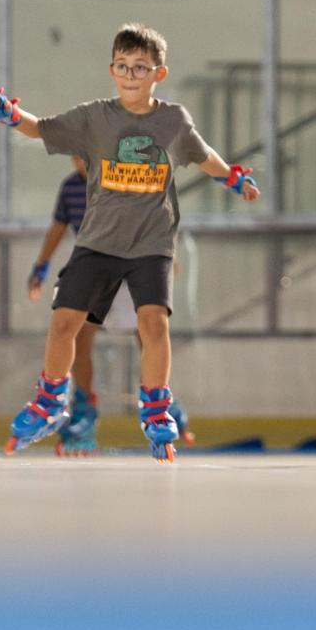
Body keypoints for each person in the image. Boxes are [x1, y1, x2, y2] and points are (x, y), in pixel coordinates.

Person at [0, 22, 257, 462]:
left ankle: (156, 407)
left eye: (141, 67)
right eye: (124, 66)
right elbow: (44, 128)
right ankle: (50, 401)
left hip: (151, 243)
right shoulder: (95, 117)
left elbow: (203, 154)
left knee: (154, 324)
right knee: (64, 321)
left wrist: (233, 178)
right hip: (98, 242)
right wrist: (12, 116)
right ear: (112, 69)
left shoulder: (173, 121)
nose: (131, 75)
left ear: (159, 74)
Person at [26, 156, 194, 456]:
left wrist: (167, 254)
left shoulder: (119, 178)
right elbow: (58, 227)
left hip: (132, 268)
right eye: (75, 154)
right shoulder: (71, 188)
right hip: (95, 271)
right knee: (79, 334)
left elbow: (155, 214)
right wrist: (41, 267)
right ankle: (84, 407)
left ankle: (161, 401)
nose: (81, 160)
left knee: (149, 335)